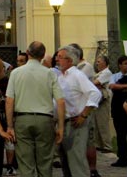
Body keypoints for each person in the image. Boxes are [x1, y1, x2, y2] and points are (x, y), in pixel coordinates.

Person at [5, 41, 65, 177]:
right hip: (45, 119)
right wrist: (60, 126)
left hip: (22, 118)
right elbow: (60, 101)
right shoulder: (50, 73)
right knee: (45, 162)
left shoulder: (16, 73)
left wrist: (9, 126)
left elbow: (9, 100)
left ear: (27, 53)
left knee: (26, 163)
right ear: (43, 55)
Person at [56, 45, 101, 177]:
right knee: (65, 162)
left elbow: (95, 93)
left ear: (69, 60)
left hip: (75, 122)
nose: (57, 60)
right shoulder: (61, 77)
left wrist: (84, 115)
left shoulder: (77, 75)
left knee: (77, 162)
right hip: (64, 123)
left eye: (60, 57)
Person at [108, 55, 127, 167]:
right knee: (120, 135)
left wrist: (122, 86)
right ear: (120, 65)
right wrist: (126, 86)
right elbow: (112, 86)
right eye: (125, 63)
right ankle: (122, 158)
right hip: (117, 108)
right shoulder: (114, 76)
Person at [92, 55, 113, 153]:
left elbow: (95, 83)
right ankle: (99, 144)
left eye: (99, 61)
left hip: (103, 100)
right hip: (97, 100)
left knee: (103, 123)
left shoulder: (107, 73)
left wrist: (95, 83)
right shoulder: (99, 73)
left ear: (105, 62)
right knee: (97, 123)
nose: (97, 63)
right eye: (97, 61)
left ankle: (107, 146)